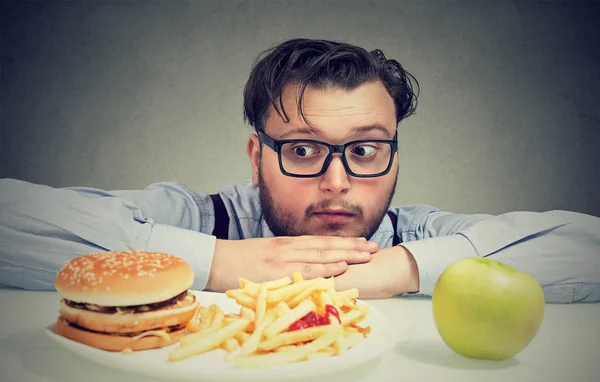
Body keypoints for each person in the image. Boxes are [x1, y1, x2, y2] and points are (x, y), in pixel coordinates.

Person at [0, 38, 598, 303]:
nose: (337, 183)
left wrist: (400, 270)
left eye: (364, 150)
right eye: (305, 150)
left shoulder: (417, 238)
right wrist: (217, 263)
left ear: (393, 157)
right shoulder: (201, 219)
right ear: (258, 157)